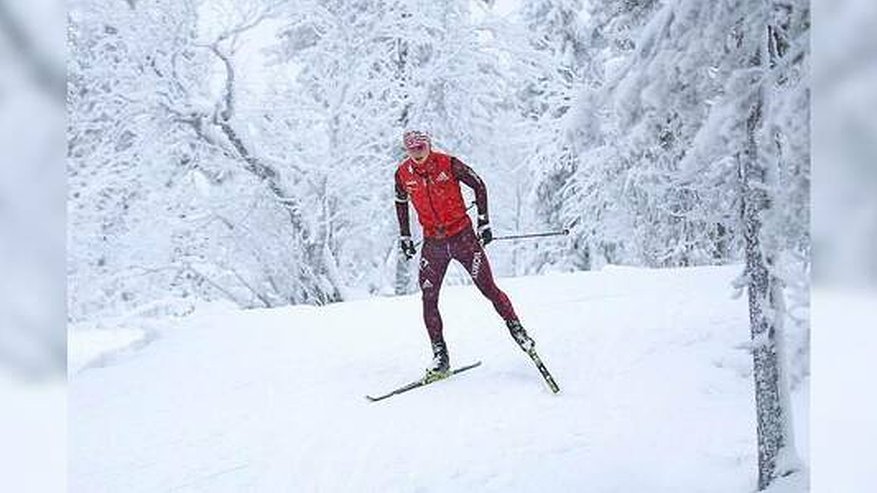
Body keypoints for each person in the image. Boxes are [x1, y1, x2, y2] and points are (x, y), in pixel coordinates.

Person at [394, 130, 536, 381]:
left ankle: (517, 330)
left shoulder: (448, 164)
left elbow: (478, 184)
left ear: (429, 145)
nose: (417, 152)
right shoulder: (403, 174)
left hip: (463, 239)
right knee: (429, 298)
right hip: (433, 244)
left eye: (421, 146)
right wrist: (405, 236)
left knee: (488, 288)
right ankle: (440, 357)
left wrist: (483, 222)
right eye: (412, 148)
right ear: (407, 150)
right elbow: (400, 201)